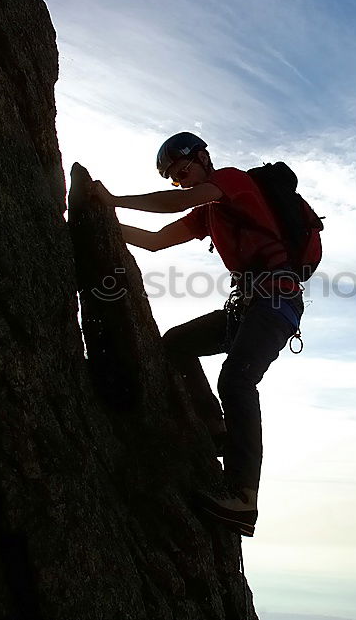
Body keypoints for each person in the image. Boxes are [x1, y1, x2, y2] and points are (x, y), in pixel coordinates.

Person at [89, 132, 304, 537]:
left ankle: (243, 499)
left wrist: (113, 200)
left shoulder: (233, 180)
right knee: (176, 344)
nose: (181, 181)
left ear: (203, 159)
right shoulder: (207, 213)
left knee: (237, 380)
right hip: (248, 307)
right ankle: (214, 426)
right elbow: (154, 242)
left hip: (277, 303)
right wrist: (100, 218)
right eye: (174, 177)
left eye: (183, 171)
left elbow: (175, 202)